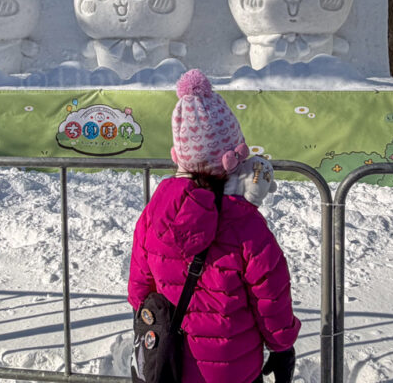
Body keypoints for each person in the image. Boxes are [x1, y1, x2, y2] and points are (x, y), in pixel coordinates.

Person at [128, 69, 300, 383]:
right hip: (234, 370)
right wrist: (282, 346)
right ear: (230, 161)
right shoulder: (245, 224)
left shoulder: (153, 215)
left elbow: (140, 290)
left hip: (171, 365)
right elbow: (271, 298)